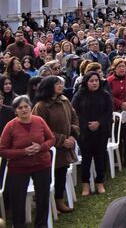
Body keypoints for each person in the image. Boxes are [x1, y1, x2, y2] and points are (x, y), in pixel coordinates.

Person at [0, 95, 55, 228]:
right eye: (20, 108)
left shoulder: (39, 120)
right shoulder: (10, 126)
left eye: (26, 106)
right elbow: (2, 150)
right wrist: (23, 152)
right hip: (18, 168)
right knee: (17, 200)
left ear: (31, 107)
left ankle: (41, 225)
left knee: (42, 198)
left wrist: (41, 147)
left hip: (42, 164)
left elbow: (51, 139)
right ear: (15, 111)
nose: (24, 110)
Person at [32, 75, 80, 215]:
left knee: (61, 173)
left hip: (66, 147)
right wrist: (61, 140)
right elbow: (40, 129)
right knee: (49, 177)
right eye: (57, 84)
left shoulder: (65, 100)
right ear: (49, 87)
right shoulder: (40, 106)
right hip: (50, 149)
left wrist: (72, 136)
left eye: (61, 83)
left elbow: (74, 118)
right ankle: (48, 203)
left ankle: (59, 200)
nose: (61, 86)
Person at [71, 70, 112, 196]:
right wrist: (87, 124)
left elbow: (108, 112)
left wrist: (99, 123)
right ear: (86, 82)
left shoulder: (105, 95)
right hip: (85, 132)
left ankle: (100, 181)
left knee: (100, 157)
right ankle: (85, 183)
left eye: (96, 81)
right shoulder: (79, 95)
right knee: (86, 158)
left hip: (101, 131)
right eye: (91, 81)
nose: (94, 83)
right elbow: (75, 113)